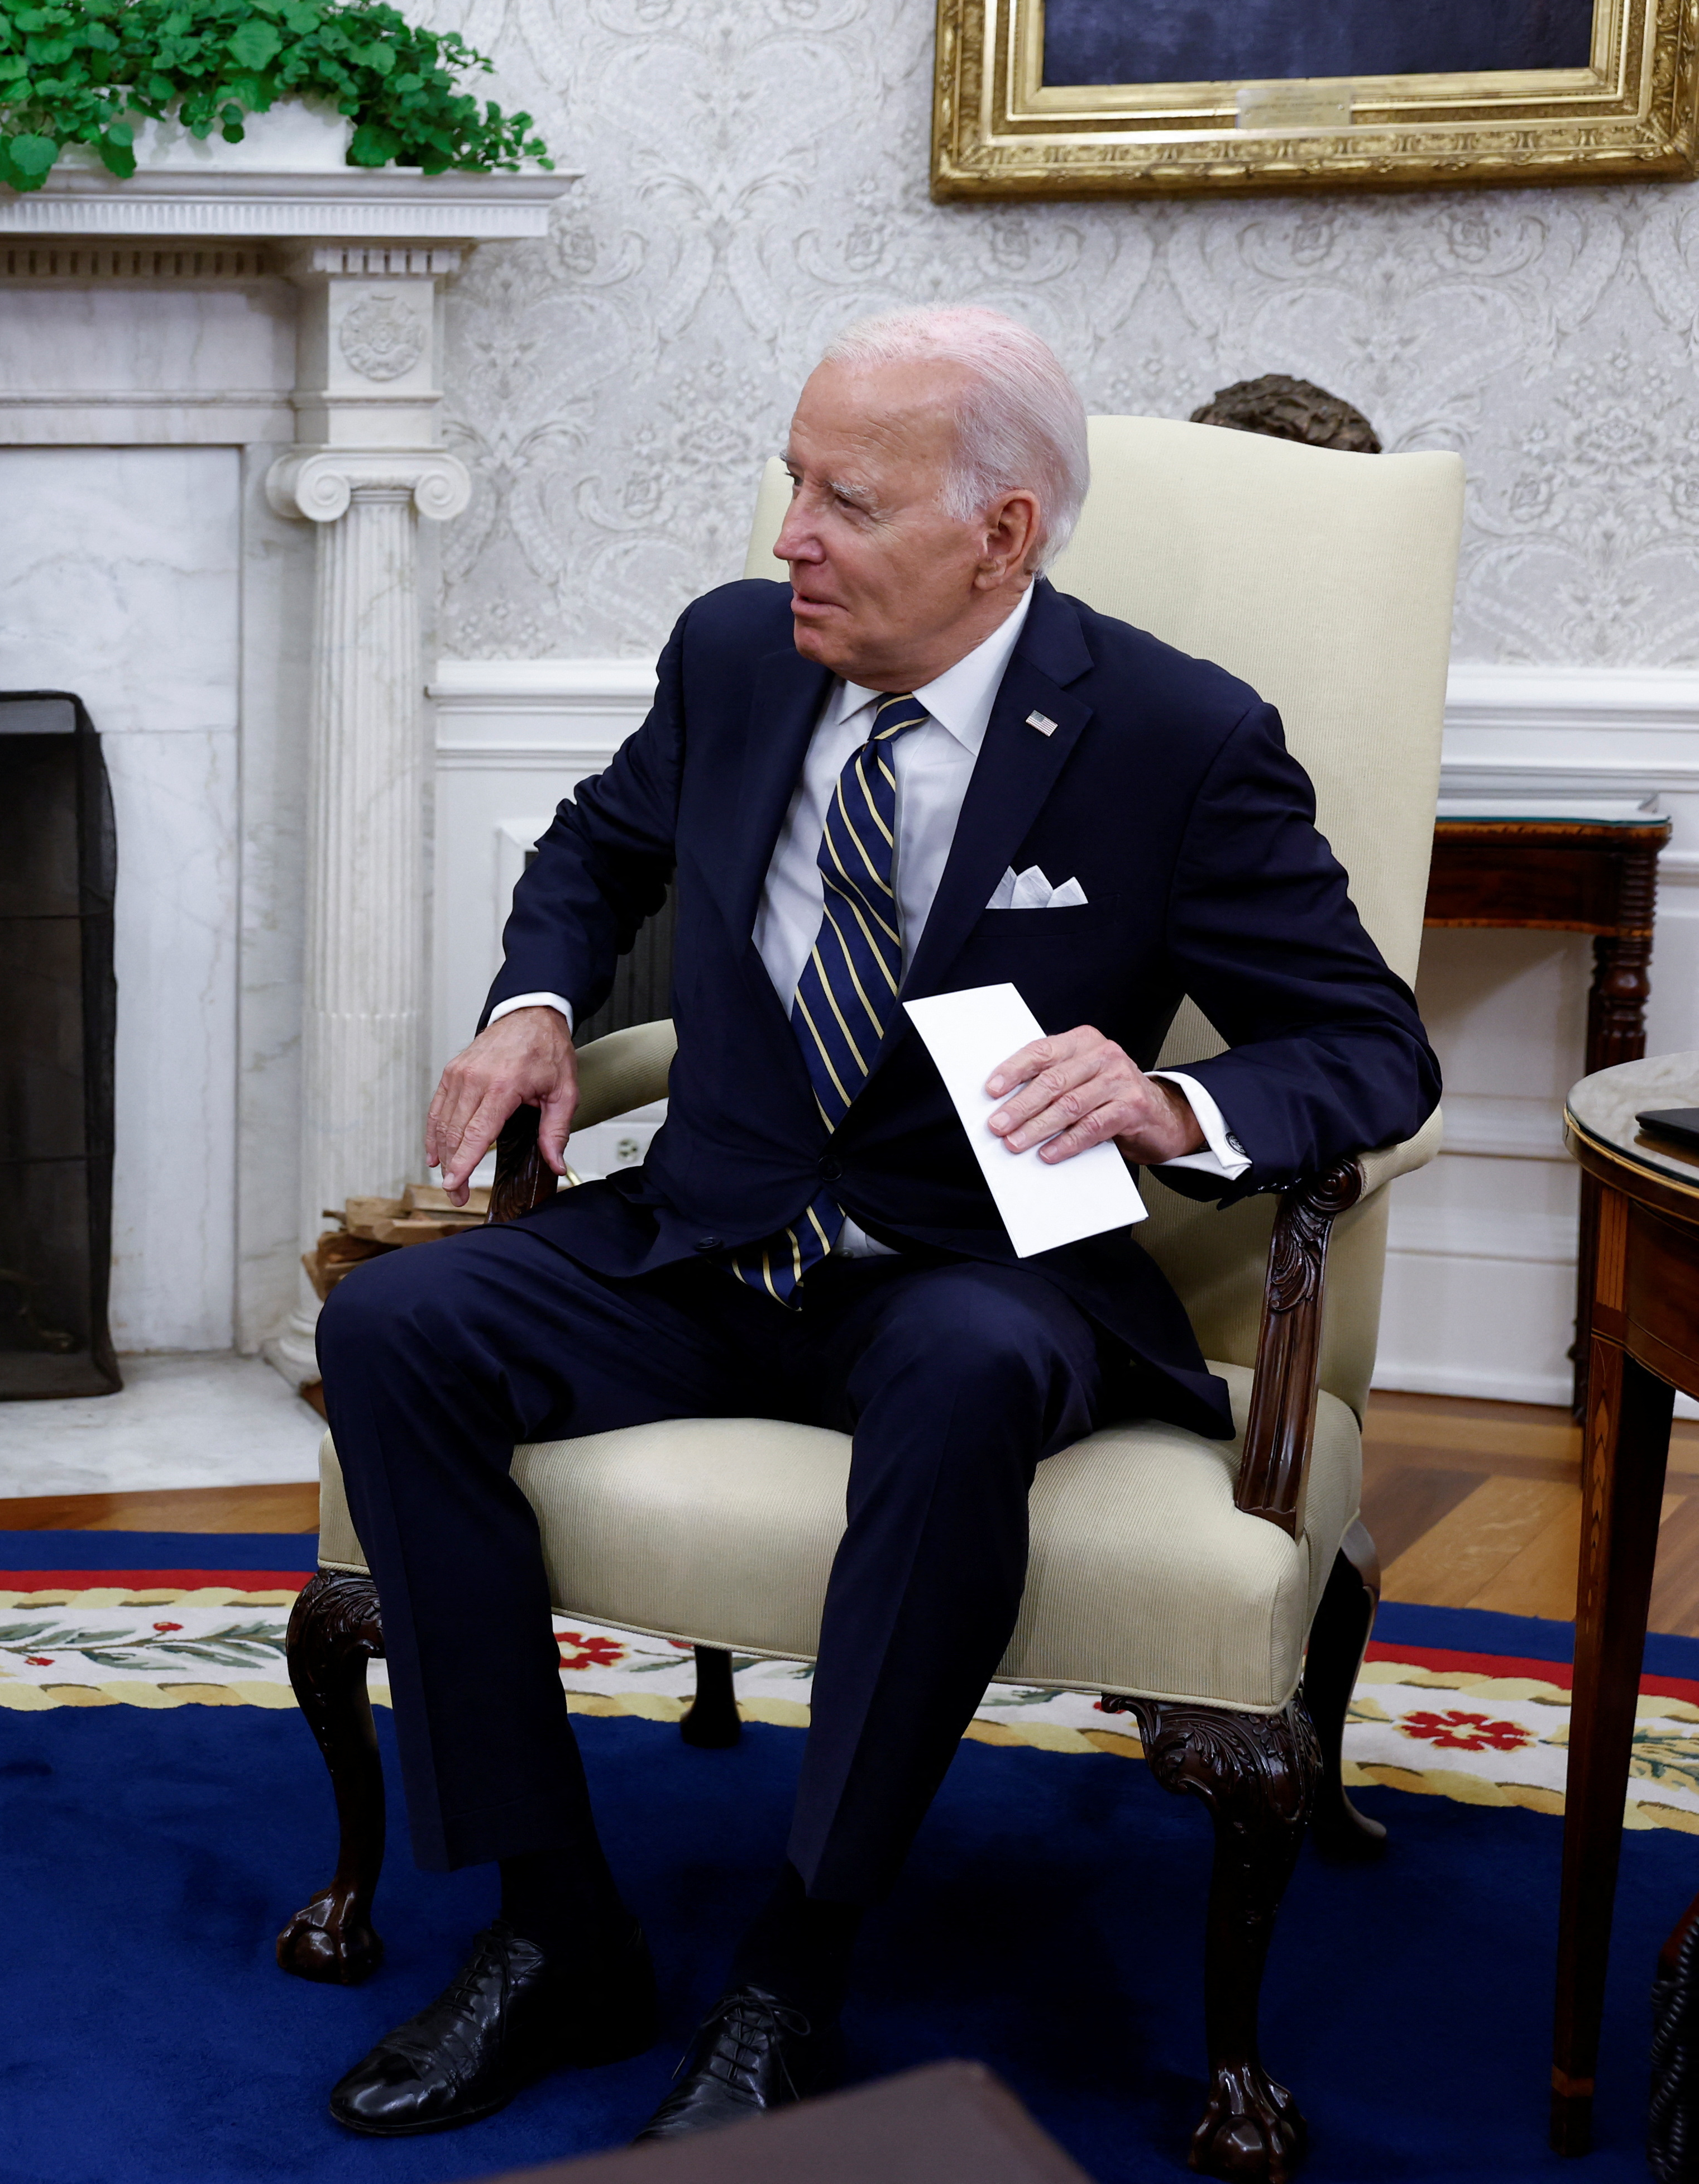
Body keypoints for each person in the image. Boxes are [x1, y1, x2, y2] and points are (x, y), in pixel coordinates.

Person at [311, 305, 1439, 2147]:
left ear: (1000, 532)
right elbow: (595, 849)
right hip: (705, 1238)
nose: (789, 537)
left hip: (977, 1273)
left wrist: (1177, 1105)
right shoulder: (737, 656)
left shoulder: (1174, 736)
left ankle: (794, 1965)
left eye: (846, 498)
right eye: (790, 481)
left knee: (967, 1368)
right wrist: (532, 1006)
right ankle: (554, 1927)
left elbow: (1367, 1048)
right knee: (391, 1329)